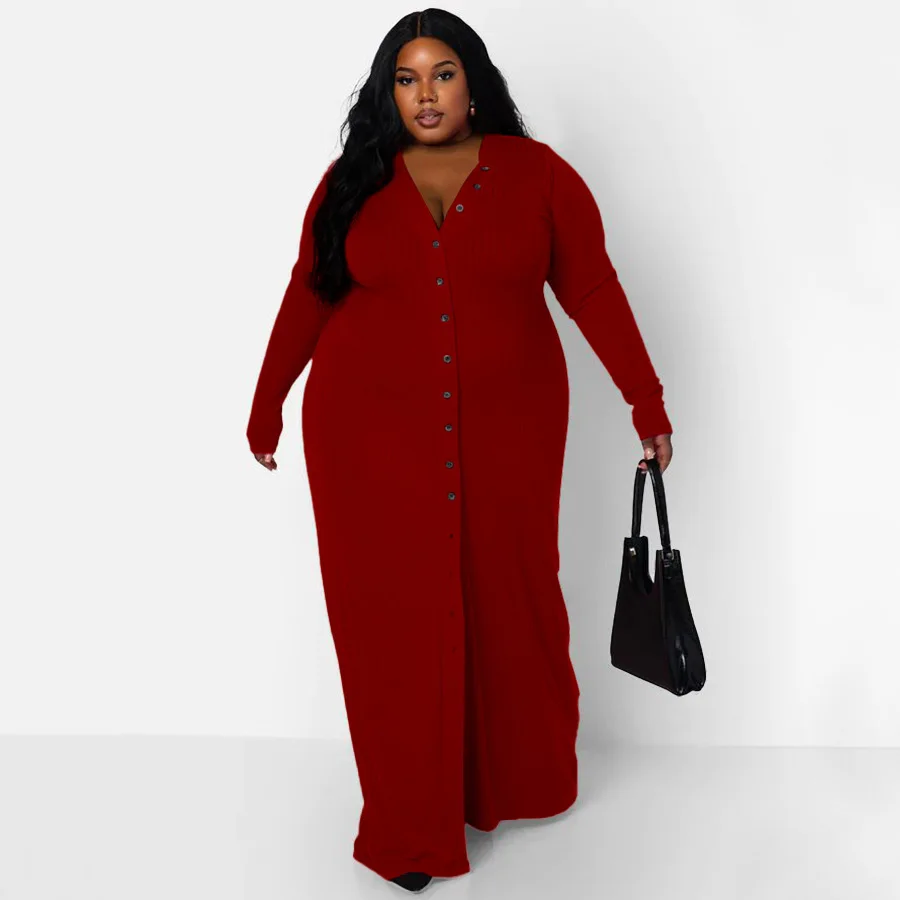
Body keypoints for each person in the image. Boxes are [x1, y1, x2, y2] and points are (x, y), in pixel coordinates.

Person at [246, 9, 674, 893]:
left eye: (442, 73)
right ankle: (409, 827)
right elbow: (307, 294)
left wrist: (646, 399)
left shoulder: (539, 175)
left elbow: (593, 288)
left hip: (512, 432)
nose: (426, 95)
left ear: (472, 81)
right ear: (387, 93)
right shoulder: (351, 182)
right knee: (391, 627)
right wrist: (267, 400)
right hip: (368, 442)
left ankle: (509, 785)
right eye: (406, 80)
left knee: (512, 598)